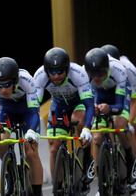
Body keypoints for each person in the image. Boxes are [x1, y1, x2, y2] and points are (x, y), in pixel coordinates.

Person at [33, 47, 94, 193]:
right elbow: (33, 108)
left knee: (78, 120)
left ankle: (86, 157)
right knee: (54, 147)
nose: (56, 76)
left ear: (67, 69)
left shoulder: (78, 73)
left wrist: (87, 128)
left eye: (60, 72)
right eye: (52, 73)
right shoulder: (40, 76)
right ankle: (58, 186)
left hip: (78, 102)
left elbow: (89, 104)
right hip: (59, 105)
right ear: (46, 71)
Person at [84, 47, 136, 191]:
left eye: (101, 74)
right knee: (97, 137)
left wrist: (110, 109)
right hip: (101, 94)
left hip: (117, 95)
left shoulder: (120, 70)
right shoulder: (85, 74)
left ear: (107, 68)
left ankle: (131, 161)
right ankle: (102, 180)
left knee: (119, 125)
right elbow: (87, 102)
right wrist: (93, 107)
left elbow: (119, 106)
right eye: (93, 75)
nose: (97, 78)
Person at [0, 57, 43, 195]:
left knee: (31, 151)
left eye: (7, 85)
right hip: (6, 110)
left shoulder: (27, 80)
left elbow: (34, 112)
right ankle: (10, 170)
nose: (3, 90)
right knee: (1, 140)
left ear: (15, 81)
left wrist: (31, 130)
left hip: (27, 111)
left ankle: (37, 192)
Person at [101, 44, 136, 157]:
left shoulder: (128, 69)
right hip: (109, 90)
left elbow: (134, 100)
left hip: (128, 89)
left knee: (128, 126)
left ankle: (133, 159)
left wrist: (129, 122)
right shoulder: (98, 67)